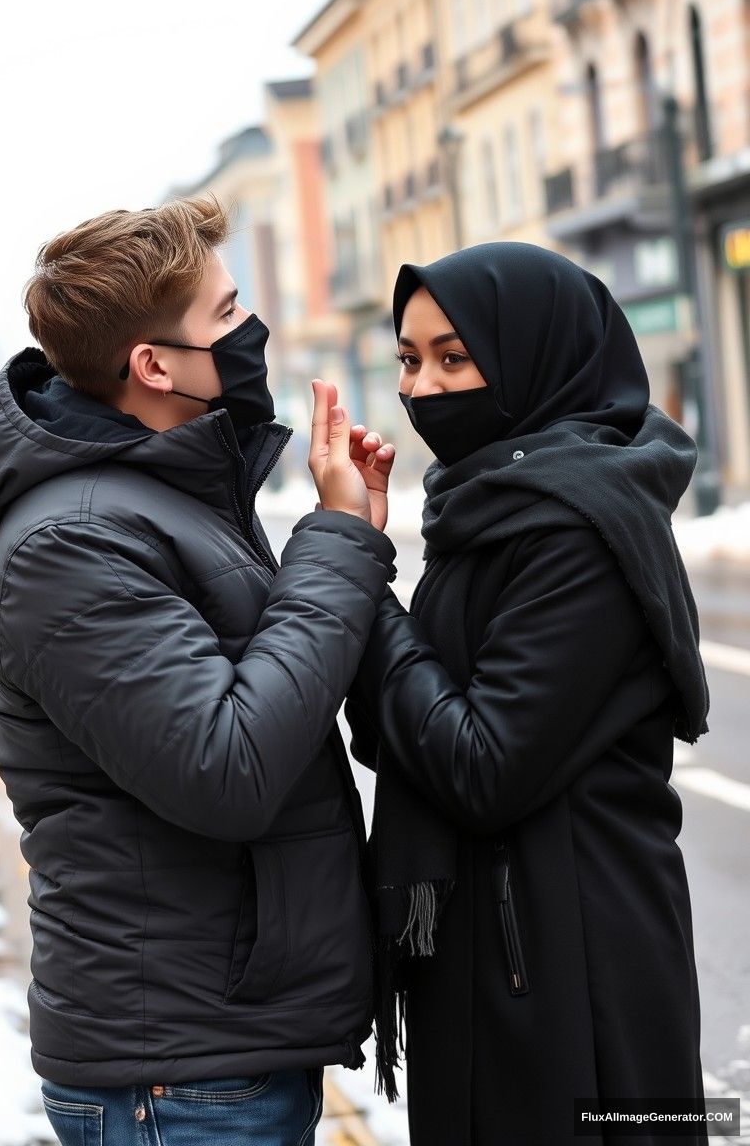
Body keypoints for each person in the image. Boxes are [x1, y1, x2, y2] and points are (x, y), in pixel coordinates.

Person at [0, 197, 398, 1146]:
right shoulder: (75, 539)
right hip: (179, 1081)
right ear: (152, 365)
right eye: (226, 315)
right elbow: (226, 765)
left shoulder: (151, 498)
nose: (249, 332)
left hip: (217, 1045)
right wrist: (340, 542)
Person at [344, 243, 710, 1146]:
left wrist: (362, 583)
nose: (423, 389)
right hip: (501, 955)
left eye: (455, 358)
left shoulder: (579, 530)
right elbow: (401, 724)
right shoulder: (491, 509)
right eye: (409, 359)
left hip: (575, 972)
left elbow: (480, 764)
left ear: (532, 357)